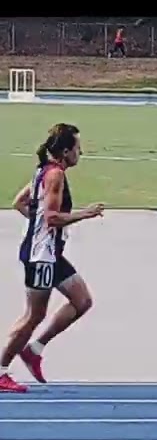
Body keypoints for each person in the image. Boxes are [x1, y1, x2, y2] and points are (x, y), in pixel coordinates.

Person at [0, 124, 104, 393]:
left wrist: (38, 227)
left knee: (82, 301)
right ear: (66, 151)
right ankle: (1, 369)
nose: (81, 153)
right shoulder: (55, 174)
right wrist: (86, 214)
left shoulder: (43, 171)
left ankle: (34, 349)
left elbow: (20, 203)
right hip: (42, 256)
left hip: (50, 253)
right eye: (78, 148)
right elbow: (51, 217)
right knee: (34, 315)